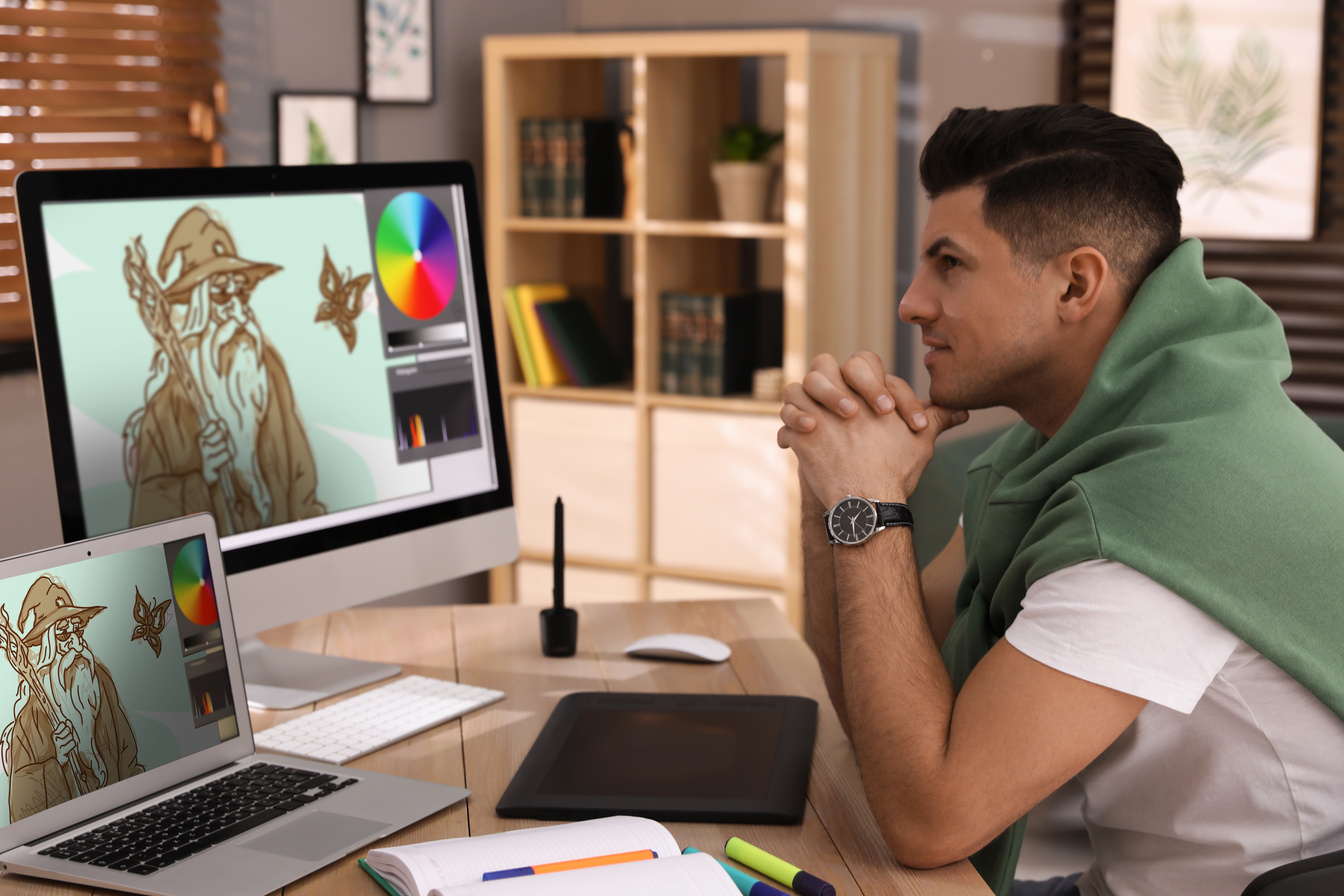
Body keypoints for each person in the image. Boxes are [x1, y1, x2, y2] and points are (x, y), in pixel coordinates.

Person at [776, 104, 1344, 896]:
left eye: (950, 265)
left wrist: (867, 500)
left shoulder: (1154, 515)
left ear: (1075, 282)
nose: (911, 303)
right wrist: (828, 488)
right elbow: (883, 707)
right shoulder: (1066, 450)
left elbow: (928, 818)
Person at [124, 205, 325, 535]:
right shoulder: (165, 411)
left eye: (241, 289)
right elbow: (145, 534)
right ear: (199, 308)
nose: (236, 306)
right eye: (219, 291)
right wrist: (204, 476)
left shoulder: (268, 374)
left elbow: (303, 489)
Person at [3, 575, 144, 823]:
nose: (77, 644)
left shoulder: (99, 682)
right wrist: (58, 760)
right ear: (47, 646)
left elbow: (128, 757)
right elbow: (22, 814)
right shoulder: (28, 723)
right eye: (63, 634)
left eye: (77, 629)